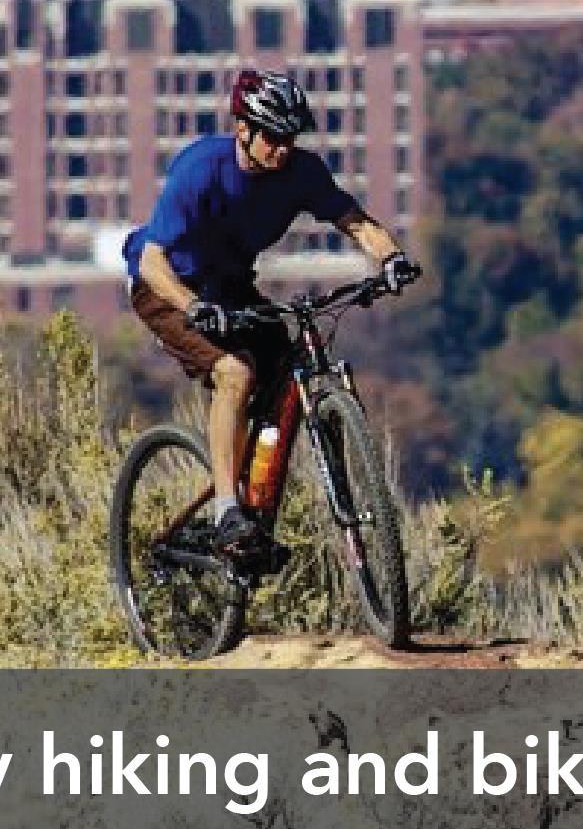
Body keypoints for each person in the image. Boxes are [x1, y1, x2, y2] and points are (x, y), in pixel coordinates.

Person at [123, 68, 418, 555]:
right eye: (275, 137)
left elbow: (358, 223)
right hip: (170, 289)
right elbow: (154, 263)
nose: (284, 148)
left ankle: (254, 501)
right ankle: (226, 512)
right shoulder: (199, 169)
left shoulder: (301, 172)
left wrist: (391, 258)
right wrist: (196, 308)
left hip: (231, 287)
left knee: (287, 377)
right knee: (235, 373)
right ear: (244, 129)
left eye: (291, 137)